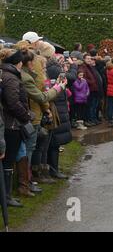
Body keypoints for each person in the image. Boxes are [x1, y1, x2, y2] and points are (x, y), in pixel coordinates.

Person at [21, 49, 64, 187]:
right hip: (35, 116)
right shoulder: (30, 78)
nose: (44, 69)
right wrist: (57, 88)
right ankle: (30, 179)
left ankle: (35, 176)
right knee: (34, 148)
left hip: (39, 114)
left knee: (40, 146)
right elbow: (41, 96)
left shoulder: (33, 76)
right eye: (43, 66)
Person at [0, 49, 31, 206]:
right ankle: (6, 197)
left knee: (9, 159)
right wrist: (26, 116)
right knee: (8, 160)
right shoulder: (11, 78)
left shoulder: (6, 75)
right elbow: (13, 102)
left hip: (10, 122)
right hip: (12, 124)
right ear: (18, 62)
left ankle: (6, 195)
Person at [46, 57, 71, 179]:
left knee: (52, 143)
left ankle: (52, 169)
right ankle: (53, 169)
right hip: (57, 109)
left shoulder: (48, 70)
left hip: (57, 108)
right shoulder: (55, 70)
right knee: (54, 143)